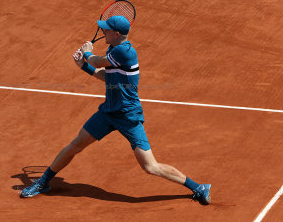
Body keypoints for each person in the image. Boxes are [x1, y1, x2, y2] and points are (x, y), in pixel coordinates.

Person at [20, 15, 211, 205]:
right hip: (107, 113)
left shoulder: (125, 52)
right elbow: (106, 75)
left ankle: (198, 187)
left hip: (128, 116)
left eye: (106, 30)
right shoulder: (114, 49)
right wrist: (83, 67)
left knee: (150, 166)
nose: (103, 32)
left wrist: (87, 53)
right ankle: (43, 182)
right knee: (76, 144)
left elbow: (97, 62)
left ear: (117, 33)